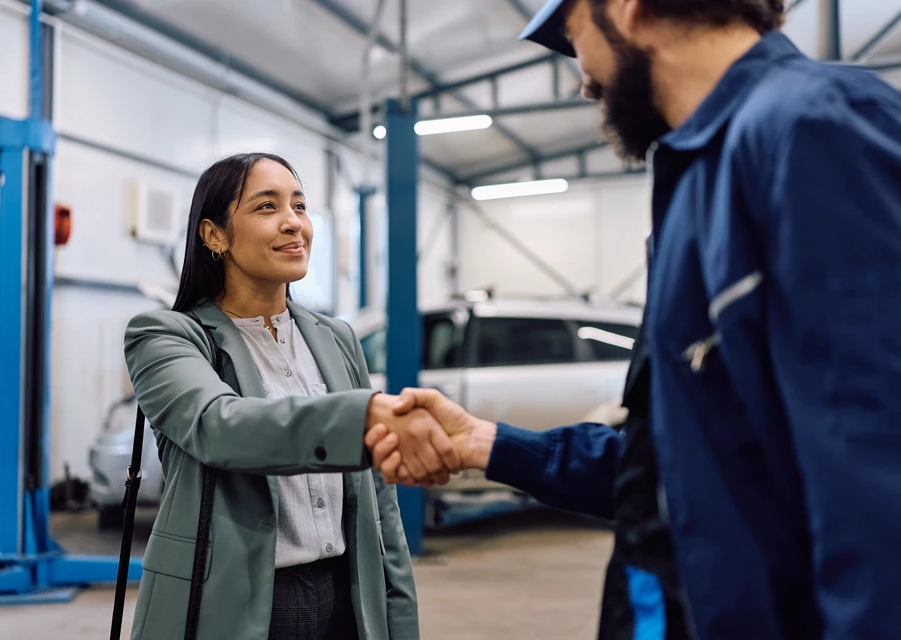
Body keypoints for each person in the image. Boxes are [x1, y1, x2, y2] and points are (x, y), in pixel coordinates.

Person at [367, 1, 901, 639]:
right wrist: (487, 444)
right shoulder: (696, 182)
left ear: (626, 8)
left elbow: (878, 491)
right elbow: (675, 468)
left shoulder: (816, 129)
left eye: (574, 37)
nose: (582, 80)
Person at [123, 152, 460, 640]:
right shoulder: (166, 336)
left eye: (299, 206)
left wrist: (399, 618)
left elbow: (378, 506)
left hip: (346, 596)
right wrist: (363, 416)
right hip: (235, 603)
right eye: (267, 206)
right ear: (214, 235)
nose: (293, 223)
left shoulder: (337, 338)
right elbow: (220, 426)